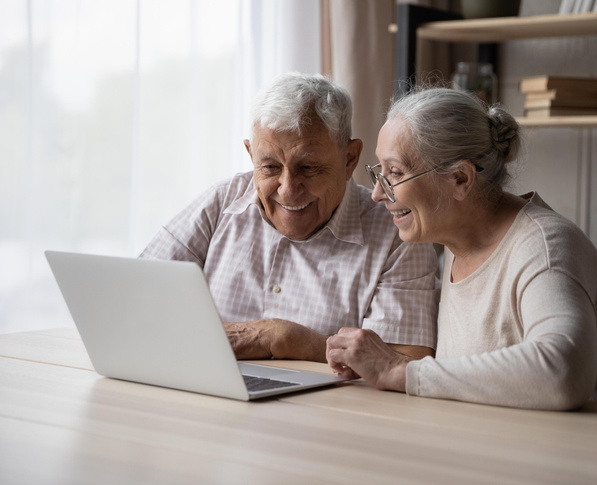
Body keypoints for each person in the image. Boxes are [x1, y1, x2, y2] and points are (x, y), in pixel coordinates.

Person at [326, 87, 597, 411]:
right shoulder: (457, 242)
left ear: (460, 179)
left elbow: (562, 373)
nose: (377, 194)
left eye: (395, 173)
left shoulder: (546, 247)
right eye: (379, 173)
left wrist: (399, 371)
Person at [140, 73, 439, 363]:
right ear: (251, 154)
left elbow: (405, 363)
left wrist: (288, 340)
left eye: (308, 168)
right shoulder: (222, 202)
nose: (287, 190)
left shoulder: (396, 234)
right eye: (269, 167)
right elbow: (136, 295)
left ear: (349, 159)